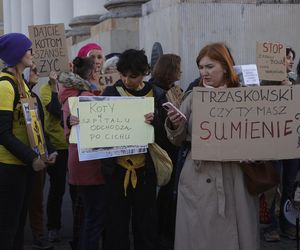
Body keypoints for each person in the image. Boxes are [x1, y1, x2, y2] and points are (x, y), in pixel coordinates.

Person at [165, 43, 260, 250]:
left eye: (210, 67)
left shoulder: (245, 96)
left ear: (225, 67)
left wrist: (254, 151)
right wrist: (174, 123)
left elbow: (259, 133)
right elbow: (177, 139)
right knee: (200, 236)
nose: (204, 72)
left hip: (235, 177)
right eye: (201, 67)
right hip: (199, 178)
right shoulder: (192, 97)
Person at [102, 49, 168, 250]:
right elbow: (95, 127)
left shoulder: (157, 95)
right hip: (116, 171)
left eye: (133, 76)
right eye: (123, 75)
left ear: (144, 73)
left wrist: (156, 121)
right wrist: (76, 121)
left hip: (145, 171)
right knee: (115, 225)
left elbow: (169, 135)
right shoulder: (111, 93)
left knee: (145, 224)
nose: (127, 80)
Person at [0, 33, 56, 250]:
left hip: (23, 166)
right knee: (8, 228)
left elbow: (34, 123)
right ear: (17, 54)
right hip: (9, 167)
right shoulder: (5, 86)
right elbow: (3, 133)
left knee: (17, 227)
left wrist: (47, 150)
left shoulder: (21, 82)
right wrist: (32, 158)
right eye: (28, 49)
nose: (33, 53)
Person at [58, 56, 106, 250]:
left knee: (88, 214)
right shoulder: (86, 95)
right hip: (90, 163)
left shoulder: (68, 93)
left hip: (77, 162)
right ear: (93, 72)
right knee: (94, 217)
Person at [262, 47, 300, 242]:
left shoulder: (295, 84)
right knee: (273, 186)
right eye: (287, 58)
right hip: (274, 146)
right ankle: (272, 226)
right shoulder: (264, 85)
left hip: (293, 146)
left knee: (289, 186)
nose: (291, 62)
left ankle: (287, 224)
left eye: (292, 59)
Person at [149, 53, 183, 250]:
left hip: (169, 147)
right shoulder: (158, 92)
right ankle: (163, 233)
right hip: (165, 148)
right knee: (166, 193)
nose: (181, 71)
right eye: (178, 68)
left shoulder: (170, 89)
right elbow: (161, 125)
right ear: (170, 71)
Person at [24, 64, 55, 249]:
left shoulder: (34, 97)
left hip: (37, 157)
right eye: (33, 70)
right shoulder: (8, 93)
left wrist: (50, 150)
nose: (37, 72)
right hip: (16, 158)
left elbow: (40, 130)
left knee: (36, 199)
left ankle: (38, 235)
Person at [39, 70, 69, 242]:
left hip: (72, 145)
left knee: (76, 189)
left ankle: (79, 229)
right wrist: (54, 86)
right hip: (57, 145)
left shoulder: (71, 88)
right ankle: (53, 226)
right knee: (58, 188)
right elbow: (56, 110)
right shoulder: (45, 90)